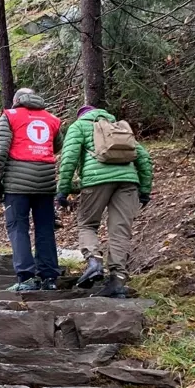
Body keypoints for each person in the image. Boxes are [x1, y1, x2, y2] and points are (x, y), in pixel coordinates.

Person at [57, 105, 154, 298]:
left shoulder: (79, 126)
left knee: (87, 224)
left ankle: (94, 262)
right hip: (128, 182)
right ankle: (117, 280)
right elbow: (143, 158)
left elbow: (69, 159)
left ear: (81, 115)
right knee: (120, 231)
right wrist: (145, 189)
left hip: (95, 181)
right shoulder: (119, 126)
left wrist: (63, 190)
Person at [0, 88, 64, 291]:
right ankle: (49, 278)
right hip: (46, 182)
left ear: (16, 100)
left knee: (17, 227)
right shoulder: (52, 119)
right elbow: (57, 145)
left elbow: (0, 151)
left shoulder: (10, 115)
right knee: (45, 229)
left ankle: (27, 278)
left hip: (16, 183)